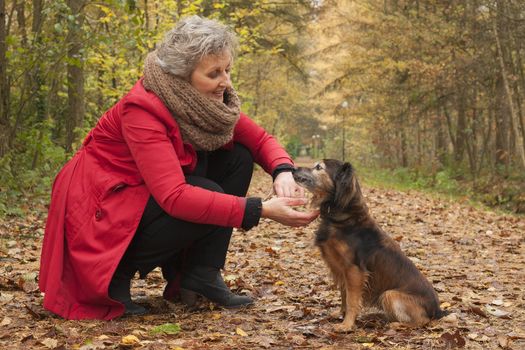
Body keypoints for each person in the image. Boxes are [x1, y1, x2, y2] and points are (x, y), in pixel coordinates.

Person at [38, 15, 318, 320]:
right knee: (205, 192)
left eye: (227, 70)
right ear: (182, 76)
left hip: (141, 194)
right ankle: (118, 271)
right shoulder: (142, 108)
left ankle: (200, 275)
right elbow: (175, 196)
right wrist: (260, 209)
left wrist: (283, 171)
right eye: (214, 73)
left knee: (237, 156)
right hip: (103, 206)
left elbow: (260, 139)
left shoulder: (207, 105)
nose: (225, 81)